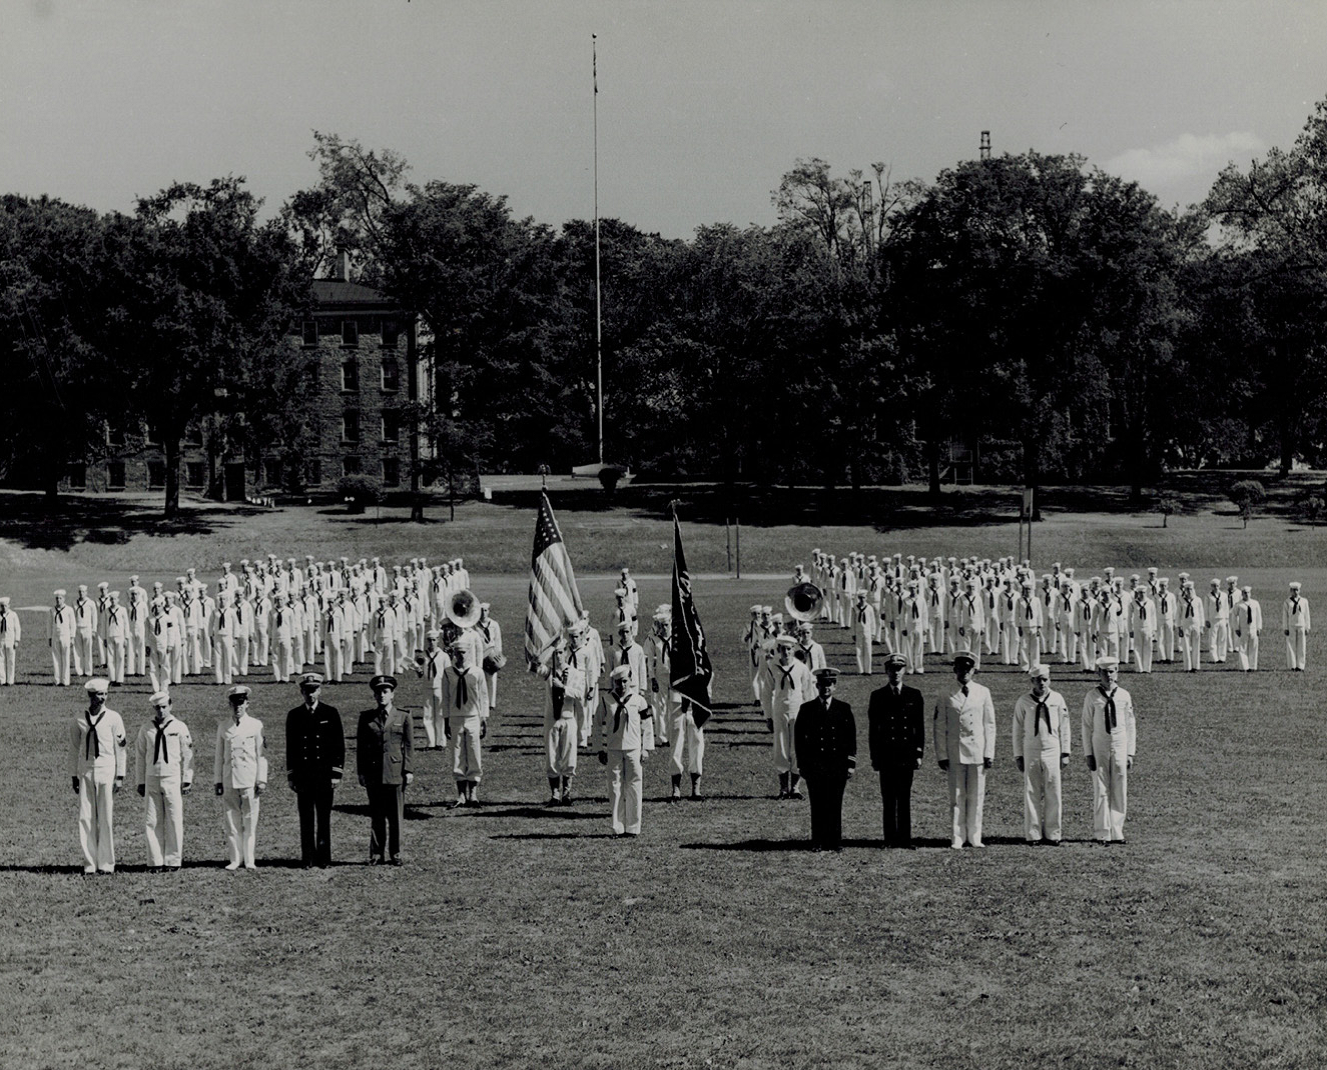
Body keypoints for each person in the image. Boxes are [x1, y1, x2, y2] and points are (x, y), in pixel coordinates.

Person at [934, 651, 995, 849]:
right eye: (961, 669)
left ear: (974, 670)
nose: (964, 672)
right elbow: (939, 726)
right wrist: (942, 754)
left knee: (977, 795)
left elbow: (989, 725)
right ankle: (957, 836)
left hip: (977, 751)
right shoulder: (945, 693)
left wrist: (989, 752)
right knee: (957, 795)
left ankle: (975, 835)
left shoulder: (983, 692)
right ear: (955, 670)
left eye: (968, 669)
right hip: (955, 751)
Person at [793, 667, 857, 852]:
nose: (825, 688)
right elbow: (799, 740)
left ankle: (834, 841)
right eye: (822, 684)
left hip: (837, 765)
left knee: (835, 803)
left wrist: (850, 764)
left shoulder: (843, 708)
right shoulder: (807, 709)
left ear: (835, 686)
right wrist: (802, 764)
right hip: (816, 765)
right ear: (817, 686)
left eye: (829, 684)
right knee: (818, 804)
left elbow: (850, 738)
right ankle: (818, 840)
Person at [285, 672, 344, 868]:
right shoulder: (294, 715)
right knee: (306, 818)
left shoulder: (330, 713)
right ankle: (308, 857)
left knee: (324, 818)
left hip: (324, 775)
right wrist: (292, 775)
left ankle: (324, 857)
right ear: (301, 692)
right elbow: (291, 748)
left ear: (320, 690)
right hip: (304, 775)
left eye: (314, 690)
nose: (310, 694)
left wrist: (336, 773)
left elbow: (338, 746)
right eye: (307, 691)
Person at [866, 652, 925, 848]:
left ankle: (905, 838)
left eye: (899, 669)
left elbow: (919, 727)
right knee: (889, 798)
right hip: (887, 754)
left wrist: (918, 752)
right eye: (892, 669)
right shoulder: (878, 696)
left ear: (905, 671)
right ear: (886, 671)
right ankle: (890, 838)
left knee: (905, 797)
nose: (896, 673)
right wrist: (875, 756)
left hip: (906, 753)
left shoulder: (914, 695)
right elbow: (874, 730)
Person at [69, 678, 127, 873]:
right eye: (98, 695)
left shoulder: (113, 718)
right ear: (90, 696)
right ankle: (90, 863)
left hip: (106, 769)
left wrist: (120, 775)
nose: (102, 699)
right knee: (86, 817)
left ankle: (106, 863)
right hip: (86, 769)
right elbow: (74, 749)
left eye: (105, 694)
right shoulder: (79, 719)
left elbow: (121, 749)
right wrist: (73, 775)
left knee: (105, 817)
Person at [356, 675, 413, 864]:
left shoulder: (403, 716)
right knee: (377, 816)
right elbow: (361, 748)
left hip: (395, 771)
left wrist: (408, 770)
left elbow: (409, 746)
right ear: (374, 695)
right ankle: (376, 853)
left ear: (392, 695)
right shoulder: (366, 718)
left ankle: (396, 853)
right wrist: (361, 772)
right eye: (378, 692)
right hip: (374, 772)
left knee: (396, 816)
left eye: (385, 691)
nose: (381, 695)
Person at [134, 691, 194, 871]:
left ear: (170, 706)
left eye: (164, 707)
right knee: (152, 821)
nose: (161, 711)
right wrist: (140, 781)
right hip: (152, 778)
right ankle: (155, 861)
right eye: (157, 708)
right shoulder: (147, 728)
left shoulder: (179, 727)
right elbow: (140, 755)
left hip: (172, 777)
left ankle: (173, 860)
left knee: (174, 819)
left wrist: (187, 778)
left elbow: (188, 754)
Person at [1011, 664, 1070, 845]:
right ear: (1032, 681)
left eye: (1045, 679)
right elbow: (1017, 729)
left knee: (1053, 791)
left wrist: (1065, 752)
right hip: (1032, 749)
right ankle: (1033, 833)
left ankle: (1053, 833)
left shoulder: (1057, 699)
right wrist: (1018, 755)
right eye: (1038, 680)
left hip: (1052, 749)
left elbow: (1065, 727)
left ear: (1049, 680)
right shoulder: (1024, 701)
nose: (1042, 683)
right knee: (1031, 791)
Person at [1081, 656, 1135, 844]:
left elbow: (1130, 724)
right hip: (1100, 743)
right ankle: (1102, 831)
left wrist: (1130, 752)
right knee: (1101, 787)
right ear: (1098, 673)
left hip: (1120, 743)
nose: (1109, 675)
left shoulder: (1124, 695)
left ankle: (1117, 830)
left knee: (1119, 786)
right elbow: (1086, 725)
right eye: (1104, 672)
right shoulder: (1092, 696)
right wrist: (1088, 753)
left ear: (1117, 672)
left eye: (1112, 671)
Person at [213, 685, 267, 870]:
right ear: (230, 705)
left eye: (241, 703)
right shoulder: (224, 726)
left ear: (247, 704)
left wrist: (261, 779)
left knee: (250, 820)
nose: (238, 707)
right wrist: (217, 781)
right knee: (231, 821)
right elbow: (219, 756)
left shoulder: (256, 725)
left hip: (249, 779)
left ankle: (250, 858)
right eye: (234, 704)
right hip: (230, 779)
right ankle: (235, 858)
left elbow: (261, 755)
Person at [596, 664, 653, 837]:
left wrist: (646, 748)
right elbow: (597, 725)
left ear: (631, 681)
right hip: (614, 749)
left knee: (634, 786)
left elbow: (647, 725)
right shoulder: (607, 700)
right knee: (615, 787)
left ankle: (633, 827)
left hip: (633, 749)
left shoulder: (639, 700)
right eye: (618, 682)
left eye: (624, 681)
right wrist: (599, 748)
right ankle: (617, 826)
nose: (621, 686)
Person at [762, 635, 815, 799]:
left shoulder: (801, 668)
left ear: (793, 650)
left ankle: (795, 788)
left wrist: (810, 717)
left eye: (789, 649)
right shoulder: (773, 667)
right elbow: (766, 693)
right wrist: (768, 717)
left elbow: (808, 693)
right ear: (778, 650)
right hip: (779, 711)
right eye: (783, 649)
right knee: (781, 748)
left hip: (798, 712)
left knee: (797, 748)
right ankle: (783, 788)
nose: (786, 652)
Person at [441, 640, 489, 807]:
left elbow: (484, 696)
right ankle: (461, 794)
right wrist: (446, 720)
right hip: (455, 717)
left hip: (473, 717)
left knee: (474, 753)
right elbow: (445, 697)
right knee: (457, 754)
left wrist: (484, 719)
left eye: (463, 653)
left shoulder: (477, 672)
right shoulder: (448, 673)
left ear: (469, 653)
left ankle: (473, 794)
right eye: (458, 653)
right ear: (454, 654)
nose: (461, 656)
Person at [1284, 582, 1311, 671]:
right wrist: (1285, 628)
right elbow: (1285, 616)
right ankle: (1292, 665)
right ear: (1290, 591)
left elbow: (1307, 615)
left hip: (1301, 625)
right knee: (1291, 646)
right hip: (1291, 625)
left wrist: (1307, 626)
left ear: (1299, 591)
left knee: (1301, 646)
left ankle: (1300, 665)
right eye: (1293, 590)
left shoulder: (1304, 601)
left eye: (1297, 590)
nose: (1295, 592)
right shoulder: (1287, 602)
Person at [50, 589, 74, 686]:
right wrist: (49, 637)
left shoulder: (69, 610)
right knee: (56, 658)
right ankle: (57, 680)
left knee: (65, 658)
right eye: (57, 598)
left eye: (60, 598)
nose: (58, 600)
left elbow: (73, 624)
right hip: (55, 636)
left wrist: (72, 637)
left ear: (64, 599)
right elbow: (49, 625)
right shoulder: (52, 610)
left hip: (66, 636)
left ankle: (65, 680)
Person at [0, 595, 20, 685]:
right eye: (2, 606)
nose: (4, 608)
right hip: (1, 640)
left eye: (5, 606)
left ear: (9, 606)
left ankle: (10, 680)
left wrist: (16, 640)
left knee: (11, 660)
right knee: (1, 660)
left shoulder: (13, 615)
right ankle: (2, 679)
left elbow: (17, 628)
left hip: (10, 640)